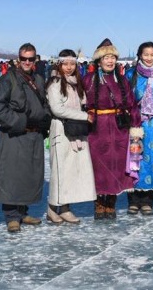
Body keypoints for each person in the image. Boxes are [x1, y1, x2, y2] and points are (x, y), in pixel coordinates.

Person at [0, 43, 52, 233]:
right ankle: (11, 216)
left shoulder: (39, 79)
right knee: (12, 175)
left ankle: (23, 212)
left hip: (34, 135)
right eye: (24, 59)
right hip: (15, 134)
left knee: (29, 175)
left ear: (35, 60)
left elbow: (45, 104)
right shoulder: (7, 79)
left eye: (30, 59)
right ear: (18, 59)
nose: (27, 62)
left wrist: (45, 119)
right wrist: (21, 121)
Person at [84, 38, 143, 220]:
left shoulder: (122, 80)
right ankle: (99, 202)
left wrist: (135, 126)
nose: (110, 61)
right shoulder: (88, 80)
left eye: (112, 57)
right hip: (97, 129)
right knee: (98, 167)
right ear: (99, 61)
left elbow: (132, 104)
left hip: (119, 129)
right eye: (106, 58)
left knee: (116, 166)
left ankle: (111, 202)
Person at [46, 49, 96, 224]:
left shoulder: (76, 83)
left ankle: (65, 208)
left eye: (72, 64)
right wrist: (84, 116)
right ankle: (52, 208)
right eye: (65, 64)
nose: (69, 67)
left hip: (76, 130)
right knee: (59, 171)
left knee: (70, 171)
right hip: (61, 130)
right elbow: (57, 109)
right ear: (59, 64)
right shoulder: (55, 83)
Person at [125, 42, 153, 216]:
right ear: (140, 55)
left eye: (152, 55)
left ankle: (148, 201)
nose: (149, 58)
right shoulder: (131, 74)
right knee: (135, 158)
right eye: (146, 54)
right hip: (136, 119)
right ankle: (133, 200)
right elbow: (126, 99)